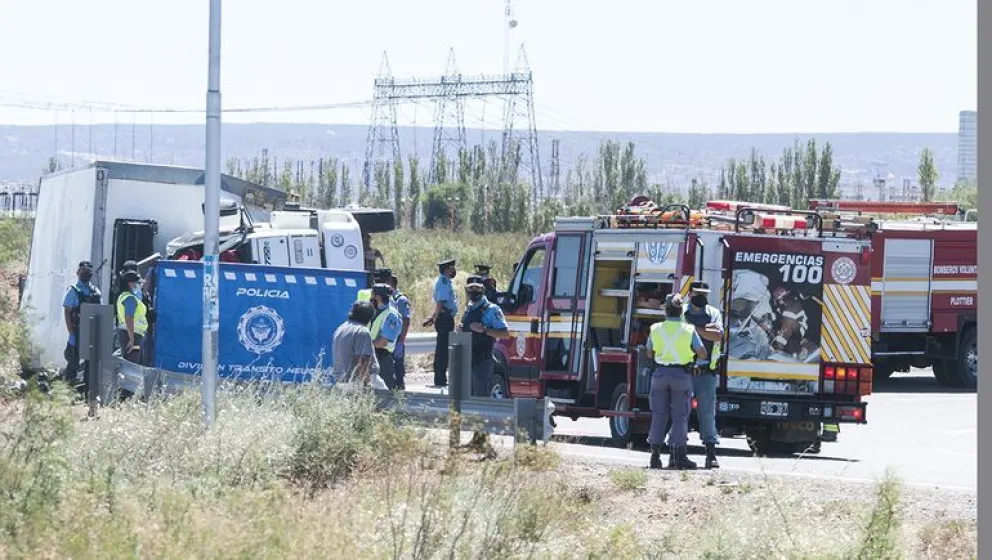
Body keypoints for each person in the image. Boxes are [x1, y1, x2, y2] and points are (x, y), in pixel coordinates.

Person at [646, 294, 707, 470]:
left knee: (659, 415)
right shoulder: (688, 330)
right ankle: (678, 456)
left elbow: (649, 352)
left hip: (660, 375)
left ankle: (655, 456)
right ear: (681, 311)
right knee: (680, 417)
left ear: (665, 310)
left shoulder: (655, 328)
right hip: (681, 376)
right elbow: (702, 352)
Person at [683, 281, 724, 469]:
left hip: (706, 371)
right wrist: (704, 331)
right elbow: (681, 335)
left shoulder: (714, 313)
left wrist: (694, 329)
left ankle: (710, 454)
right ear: (689, 294)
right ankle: (679, 453)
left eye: (704, 294)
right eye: (698, 293)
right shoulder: (680, 312)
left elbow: (717, 336)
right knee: (680, 413)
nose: (702, 297)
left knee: (707, 414)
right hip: (683, 370)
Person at [460, 275, 510, 396]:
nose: (473, 292)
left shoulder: (492, 309)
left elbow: (505, 333)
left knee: (480, 398)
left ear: (483, 290)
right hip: (467, 360)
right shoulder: (469, 308)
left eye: (477, 288)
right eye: (471, 288)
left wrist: (484, 330)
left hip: (483, 361)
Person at [62, 260, 102, 384]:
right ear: (78, 272)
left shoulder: (96, 291)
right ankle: (68, 392)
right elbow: (67, 312)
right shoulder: (73, 291)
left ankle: (88, 393)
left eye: (88, 272)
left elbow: (100, 312)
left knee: (91, 366)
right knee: (73, 362)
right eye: (83, 271)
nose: (86, 274)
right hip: (76, 332)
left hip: (91, 333)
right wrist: (71, 331)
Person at [331, 301, 384, 387]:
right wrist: (366, 383)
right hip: (357, 382)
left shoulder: (340, 328)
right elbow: (363, 359)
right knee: (390, 399)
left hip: (341, 381)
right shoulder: (362, 331)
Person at [424, 258, 458, 388]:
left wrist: (434, 317)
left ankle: (441, 377)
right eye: (452, 268)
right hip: (444, 318)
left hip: (444, 317)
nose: (454, 270)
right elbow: (440, 302)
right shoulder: (444, 282)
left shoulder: (446, 281)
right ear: (447, 269)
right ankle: (440, 379)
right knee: (442, 350)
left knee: (443, 348)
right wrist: (435, 317)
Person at [369, 283, 403, 390]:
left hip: (382, 359)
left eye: (372, 295)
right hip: (372, 356)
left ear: (378, 297)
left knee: (384, 397)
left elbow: (382, 342)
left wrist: (365, 344)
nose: (371, 298)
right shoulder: (375, 311)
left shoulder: (392, 315)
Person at [116, 269, 148, 364]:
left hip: (130, 333)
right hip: (132, 335)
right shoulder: (130, 298)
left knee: (129, 362)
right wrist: (132, 339)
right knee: (131, 364)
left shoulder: (125, 296)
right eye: (137, 283)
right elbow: (129, 318)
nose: (139, 285)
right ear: (130, 283)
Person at [389, 273, 412, 390]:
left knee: (398, 368)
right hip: (388, 338)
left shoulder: (400, 299)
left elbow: (406, 321)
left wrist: (401, 341)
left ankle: (400, 391)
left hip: (397, 338)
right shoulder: (388, 298)